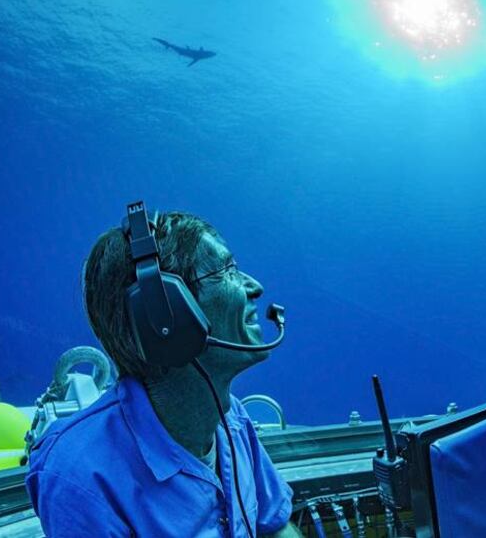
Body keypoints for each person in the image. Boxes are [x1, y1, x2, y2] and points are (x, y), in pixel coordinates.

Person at [26, 210, 301, 537]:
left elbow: (276, 528)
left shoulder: (234, 423)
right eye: (226, 271)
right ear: (165, 318)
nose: (255, 287)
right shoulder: (81, 476)